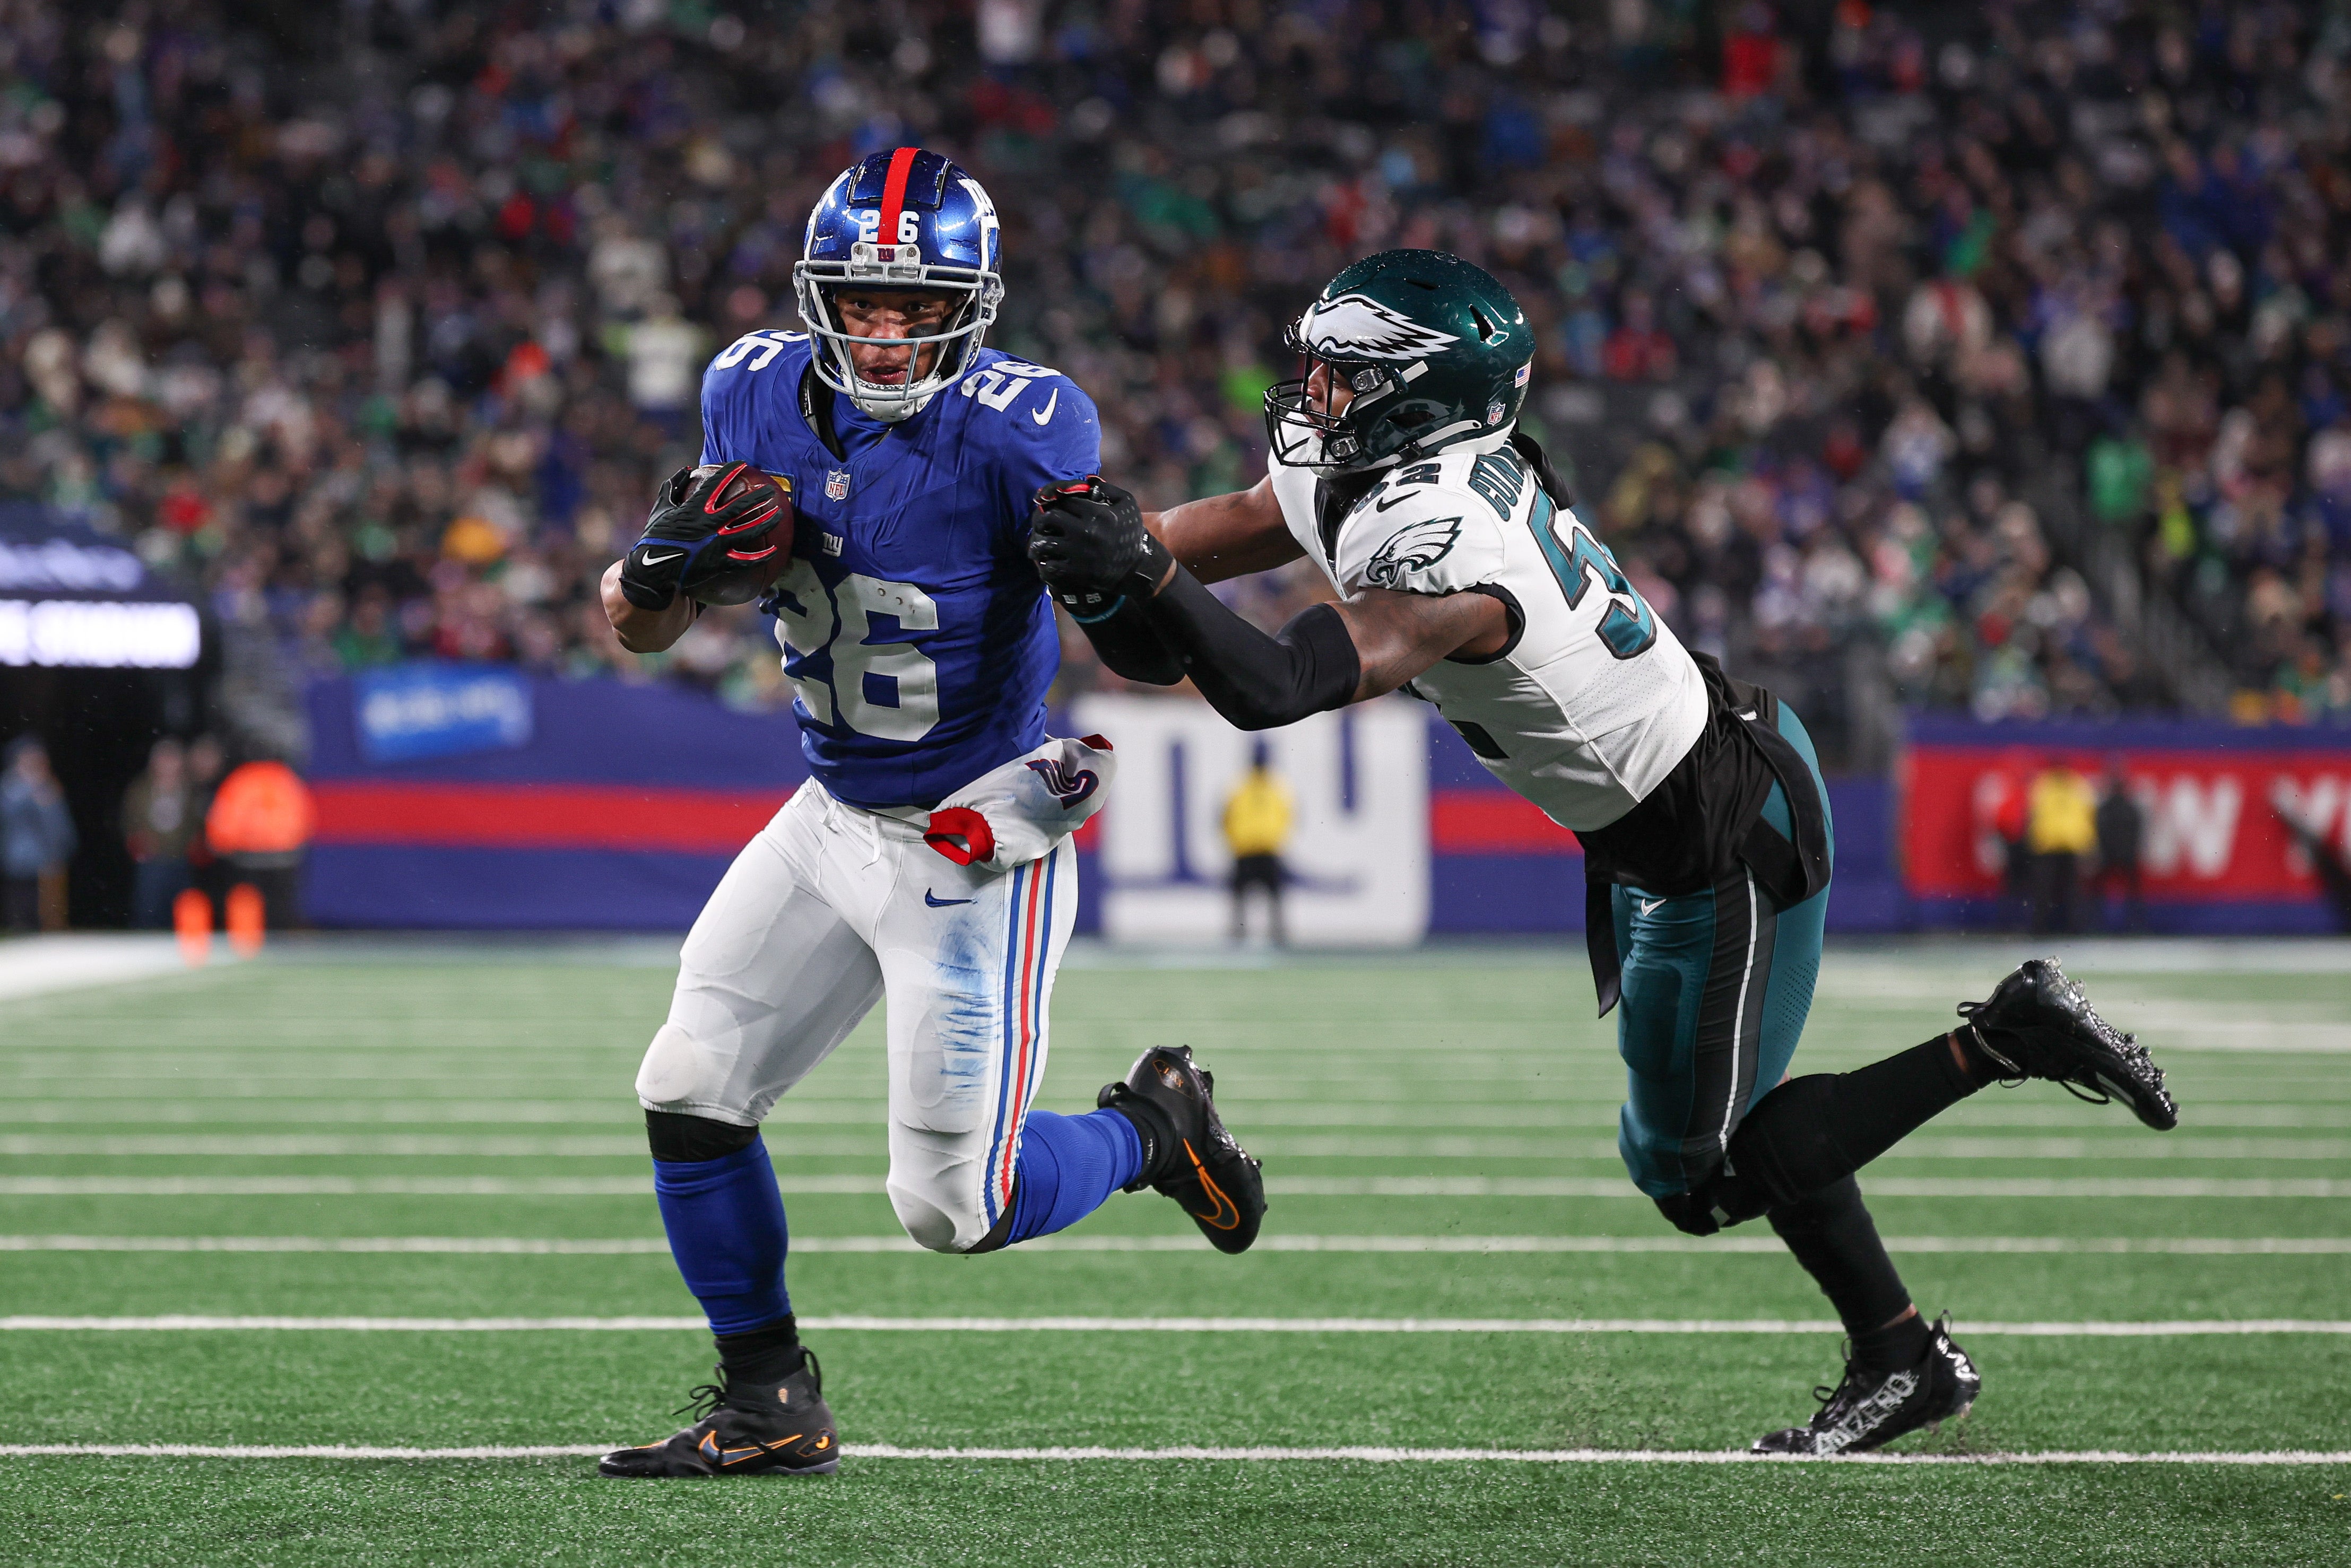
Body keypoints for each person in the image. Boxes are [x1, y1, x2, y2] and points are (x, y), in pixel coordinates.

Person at [1029, 248, 2179, 1456]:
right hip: (1683, 795)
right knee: (1703, 1131)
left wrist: (1146, 567)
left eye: (1341, 373)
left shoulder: (1453, 543)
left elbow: (1275, 682)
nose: (1308, 389)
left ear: (1413, 401)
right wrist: (1101, 550)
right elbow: (1203, 547)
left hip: (1720, 836)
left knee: (1701, 1176)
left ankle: (2004, 1037)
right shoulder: (1372, 459)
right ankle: (1897, 1348)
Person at [593, 148, 1265, 1479]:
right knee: (687, 1083)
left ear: (975, 301)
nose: (887, 330)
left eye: (918, 304)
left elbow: (1136, 652)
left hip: (972, 836)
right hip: (833, 806)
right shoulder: (746, 391)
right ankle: (767, 1399)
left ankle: (1153, 1130)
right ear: (817, 294)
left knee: (959, 1208)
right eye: (862, 298)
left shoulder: (1025, 425)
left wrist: (1125, 584)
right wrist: (660, 566)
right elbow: (640, 625)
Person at [203, 756, 317, 932]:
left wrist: (223, 846)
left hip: (248, 859)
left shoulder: (242, 779)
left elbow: (224, 821)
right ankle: (274, 940)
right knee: (276, 910)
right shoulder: (285, 780)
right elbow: (303, 819)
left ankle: (249, 942)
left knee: (247, 907)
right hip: (281, 859)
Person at [2, 736, 77, 933]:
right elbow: (9, 814)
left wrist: (62, 849)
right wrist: (31, 791)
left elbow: (60, 824)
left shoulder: (50, 788)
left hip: (47, 862)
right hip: (17, 863)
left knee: (49, 914)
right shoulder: (10, 787)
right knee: (20, 912)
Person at [1222, 741, 1293, 944]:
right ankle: (1240, 935)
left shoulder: (1249, 786)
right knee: (1243, 897)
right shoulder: (1246, 787)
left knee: (1272, 896)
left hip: (1263, 850)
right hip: (1248, 851)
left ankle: (1276, 935)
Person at [122, 738, 197, 929]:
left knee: (182, 909)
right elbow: (129, 821)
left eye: (173, 759)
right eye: (164, 759)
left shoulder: (190, 788)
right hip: (152, 861)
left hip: (181, 859)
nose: (168, 764)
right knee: (149, 909)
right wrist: (139, 842)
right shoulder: (141, 789)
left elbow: (197, 822)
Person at [2025, 757, 2097, 934]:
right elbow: (2033, 815)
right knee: (2044, 891)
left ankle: (2073, 928)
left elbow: (2087, 817)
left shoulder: (2077, 786)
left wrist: (2087, 843)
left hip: (2071, 847)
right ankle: (2040, 928)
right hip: (2048, 847)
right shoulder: (2043, 785)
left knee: (2072, 893)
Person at [2092, 761, 2145, 932]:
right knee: (2132, 892)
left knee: (2101, 890)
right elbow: (2137, 832)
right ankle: (2134, 925)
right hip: (2127, 854)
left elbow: (2100, 831)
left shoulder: (2105, 809)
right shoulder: (2131, 808)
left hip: (2109, 855)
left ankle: (2101, 925)